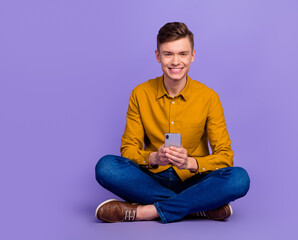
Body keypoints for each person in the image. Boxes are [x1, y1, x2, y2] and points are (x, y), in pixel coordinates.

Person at [95, 22, 250, 224]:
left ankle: (145, 212)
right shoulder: (140, 94)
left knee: (239, 178)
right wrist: (153, 158)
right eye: (168, 54)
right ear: (158, 56)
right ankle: (197, 208)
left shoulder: (209, 97)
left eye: (182, 54)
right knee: (106, 166)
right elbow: (128, 150)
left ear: (192, 56)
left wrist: (190, 163)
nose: (176, 61)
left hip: (194, 181)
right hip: (151, 179)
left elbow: (225, 157)